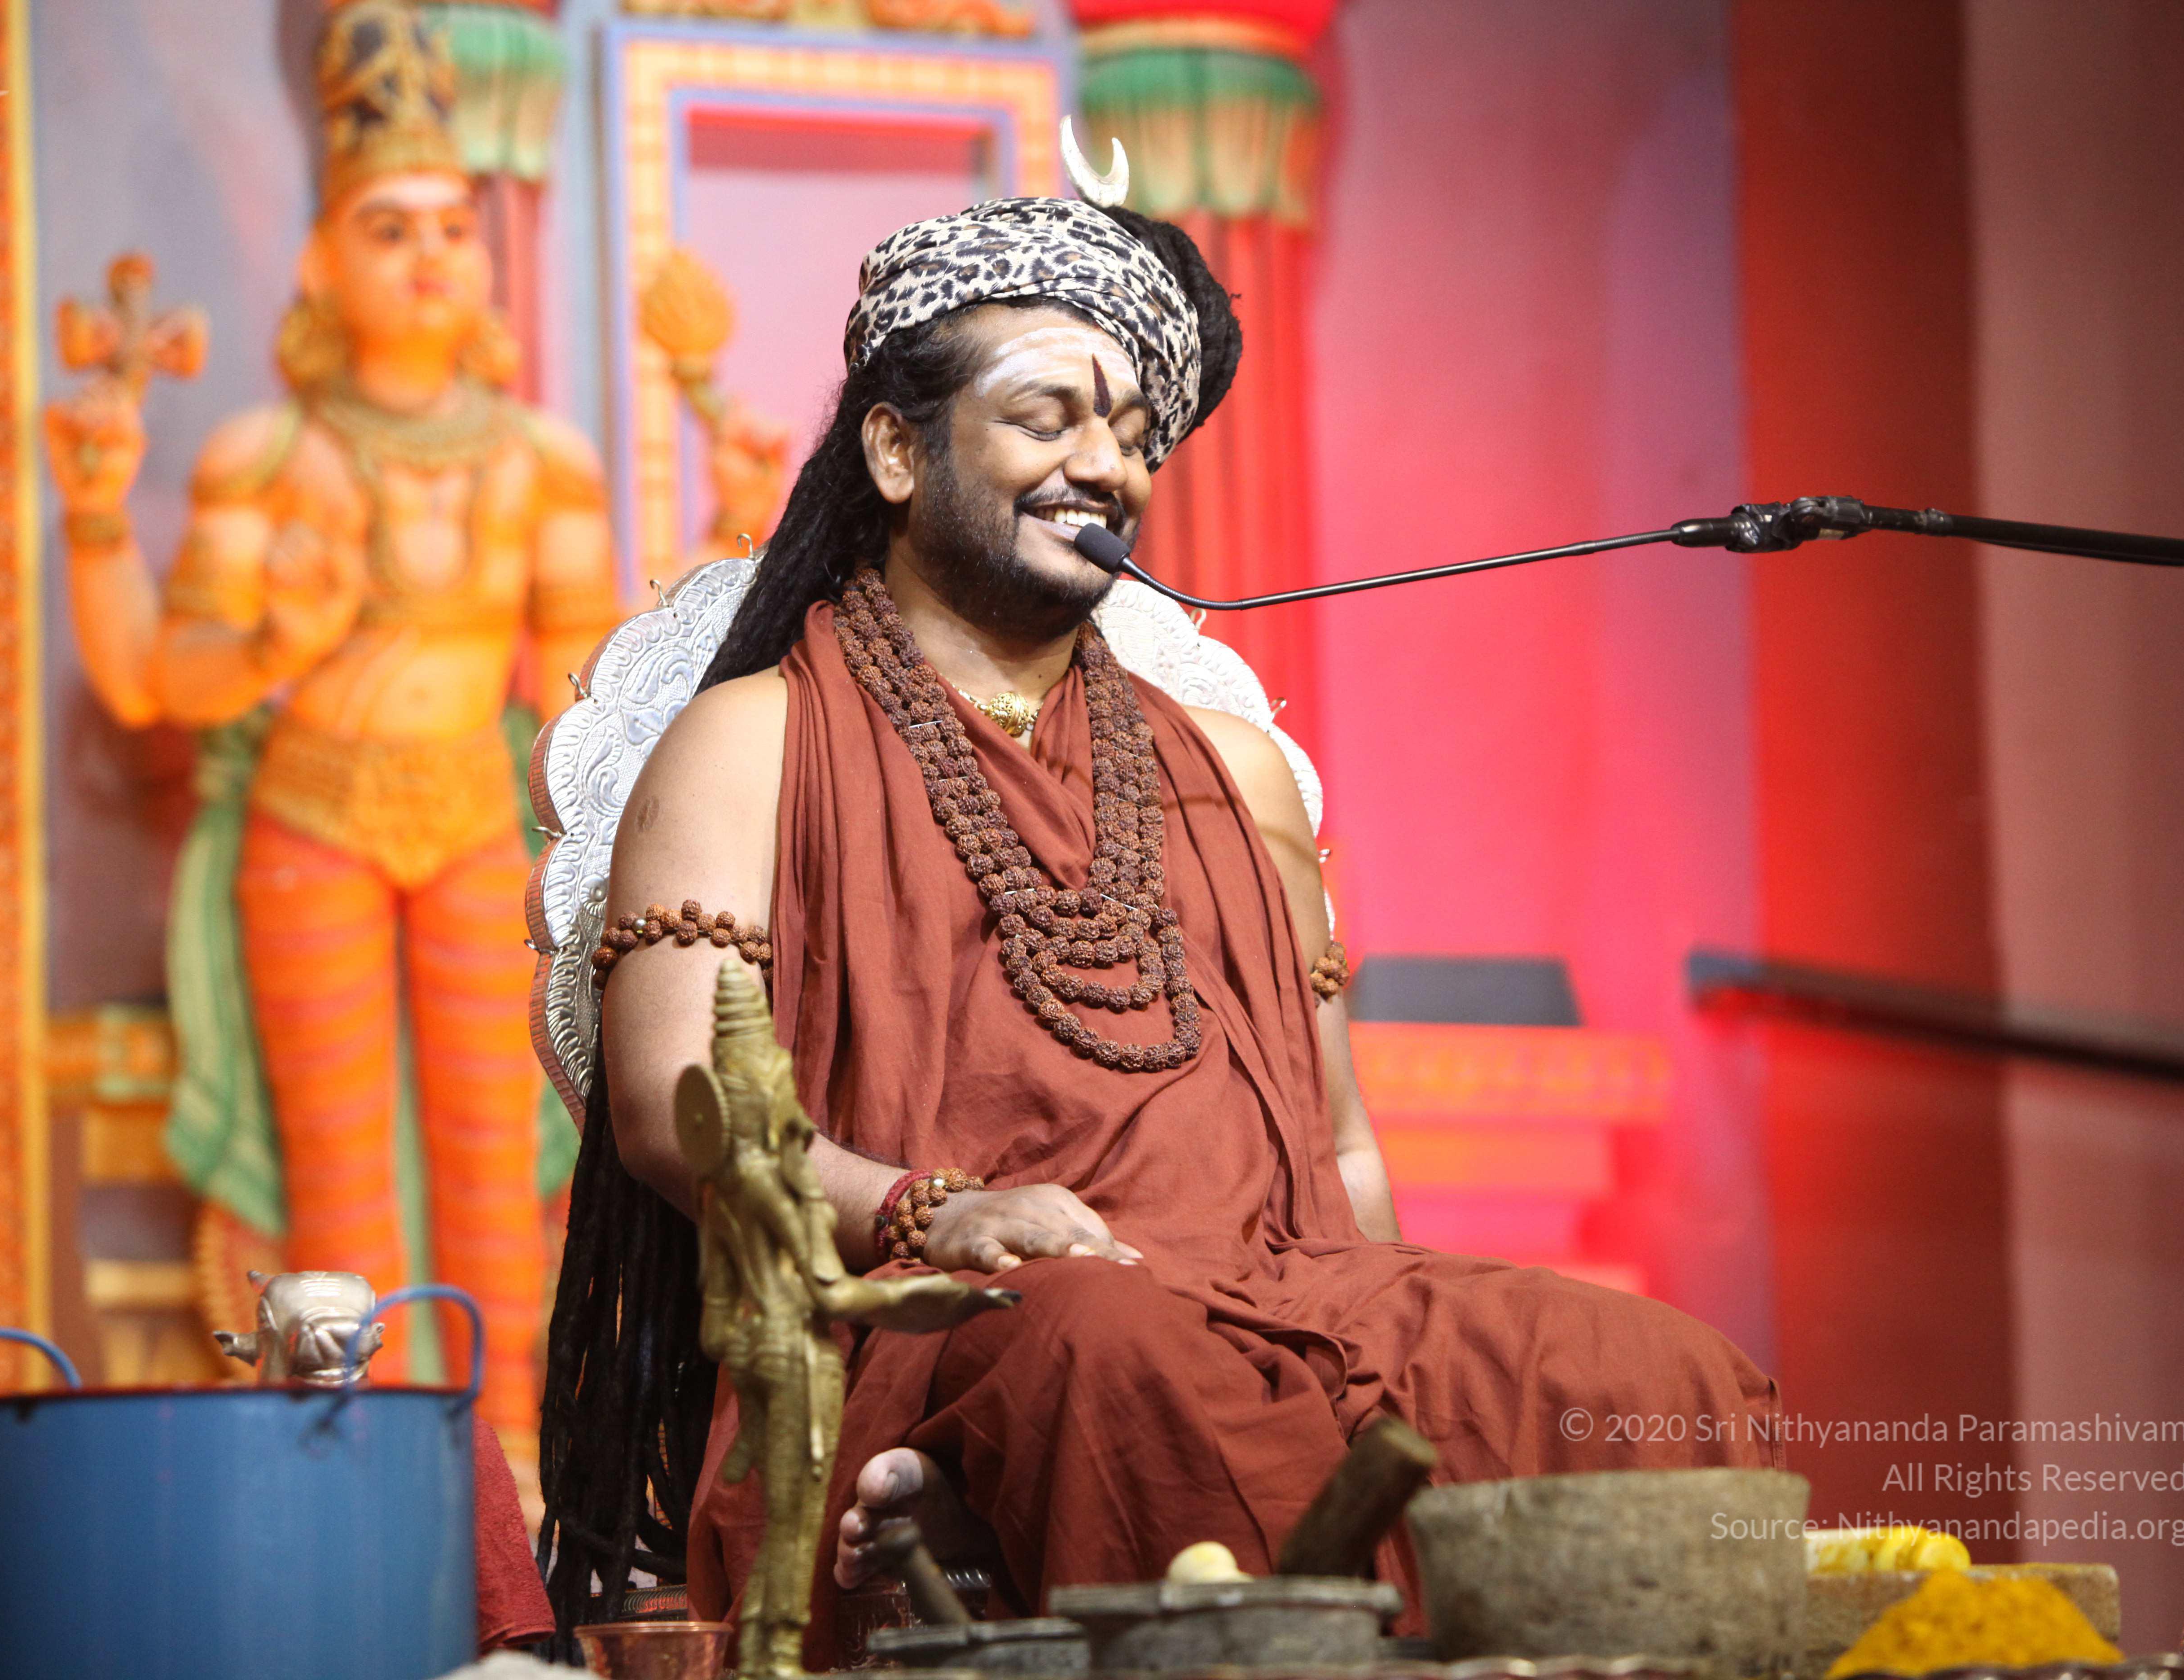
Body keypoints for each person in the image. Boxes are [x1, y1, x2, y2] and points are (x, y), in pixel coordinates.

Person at [537, 156, 1781, 1659]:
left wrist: (1400, 1335)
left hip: (1282, 1294)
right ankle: (953, 1497)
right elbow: (673, 1113)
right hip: (952, 1310)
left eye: (1135, 438)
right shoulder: (751, 742)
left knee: (1636, 1370)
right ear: (895, 450)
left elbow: (1338, 1146)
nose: (1107, 468)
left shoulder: (1235, 774)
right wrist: (943, 1211)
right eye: (1048, 419)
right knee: (1110, 1341)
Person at [40, 0, 619, 1451]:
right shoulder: (270, 457)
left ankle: (511, 1478)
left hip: (475, 829)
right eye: (390, 228)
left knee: (498, 1175)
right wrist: (258, 631)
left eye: (454, 228)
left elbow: (588, 705)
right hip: (310, 824)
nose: (430, 255)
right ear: (319, 261)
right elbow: (164, 687)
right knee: (338, 1183)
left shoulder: (544, 466)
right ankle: (346, 1463)